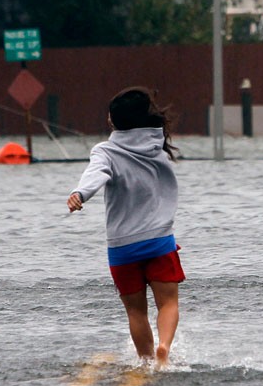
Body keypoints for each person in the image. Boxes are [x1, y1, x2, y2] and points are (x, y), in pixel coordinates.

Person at [67, 86, 184, 366]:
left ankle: (145, 361)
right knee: (168, 303)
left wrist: (80, 193)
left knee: (136, 312)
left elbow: (95, 174)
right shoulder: (158, 147)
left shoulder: (106, 150)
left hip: (122, 247)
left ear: (113, 121)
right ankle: (164, 348)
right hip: (159, 241)